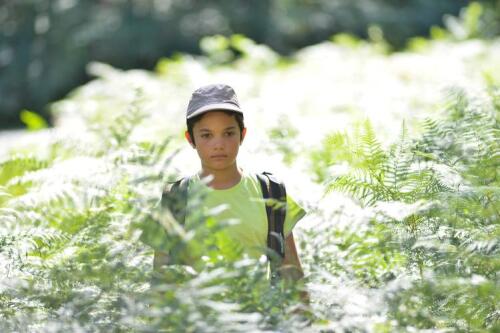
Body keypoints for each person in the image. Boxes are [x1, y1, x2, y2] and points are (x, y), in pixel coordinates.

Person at [154, 84, 308, 298]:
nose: (219, 144)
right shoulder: (176, 198)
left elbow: (292, 276)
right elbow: (162, 282)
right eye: (207, 135)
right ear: (191, 139)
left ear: (242, 135)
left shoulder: (270, 193)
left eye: (228, 133)